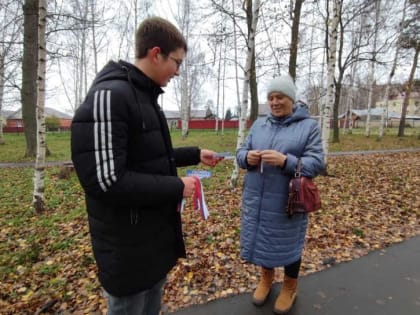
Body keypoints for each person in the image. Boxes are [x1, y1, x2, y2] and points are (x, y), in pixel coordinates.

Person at [71, 17, 222, 315]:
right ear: (156, 53)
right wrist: (178, 186)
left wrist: (194, 154)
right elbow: (106, 181)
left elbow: (148, 156)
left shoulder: (145, 97)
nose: (178, 71)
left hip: (153, 243)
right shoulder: (111, 96)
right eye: (176, 62)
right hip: (127, 251)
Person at [236, 75, 325, 314]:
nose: (274, 102)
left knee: (288, 244)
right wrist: (246, 157)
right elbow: (241, 150)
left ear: (292, 100)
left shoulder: (308, 127)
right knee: (264, 239)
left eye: (280, 97)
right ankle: (266, 279)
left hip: (288, 201)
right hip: (257, 198)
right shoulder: (259, 124)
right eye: (271, 98)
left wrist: (287, 161)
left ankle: (289, 287)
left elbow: (317, 164)